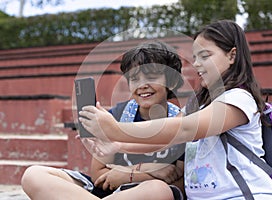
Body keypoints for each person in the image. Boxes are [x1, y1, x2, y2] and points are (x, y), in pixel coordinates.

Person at [78, 20, 272, 199]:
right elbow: (164, 138)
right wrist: (117, 146)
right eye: (195, 57)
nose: (197, 64)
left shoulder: (238, 99)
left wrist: (114, 130)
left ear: (232, 55)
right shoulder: (197, 104)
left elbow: (184, 129)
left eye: (205, 56)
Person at [21, 40, 186, 200]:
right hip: (109, 193)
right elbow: (99, 175)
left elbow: (180, 184)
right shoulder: (115, 116)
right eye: (134, 79)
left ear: (170, 81)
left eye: (151, 77)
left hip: (144, 194)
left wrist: (125, 175)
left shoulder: (182, 122)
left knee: (158, 190)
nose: (142, 85)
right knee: (34, 175)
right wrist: (142, 171)